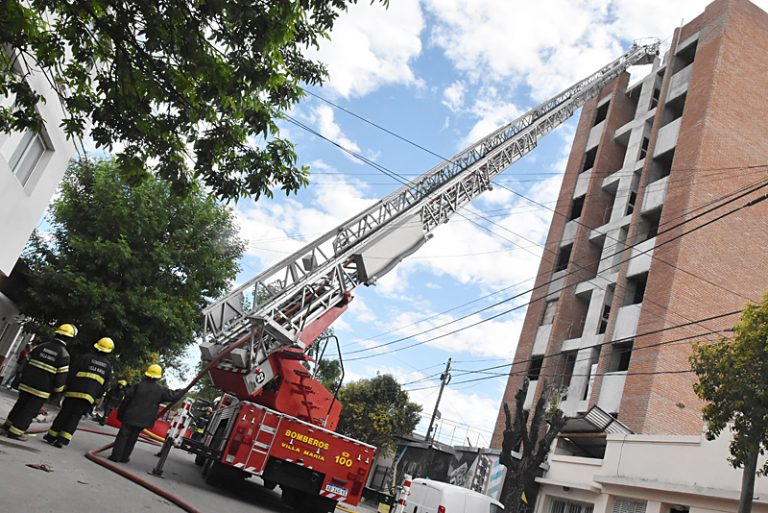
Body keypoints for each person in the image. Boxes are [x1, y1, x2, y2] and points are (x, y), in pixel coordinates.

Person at [1, 324, 74, 441]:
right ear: (69, 339)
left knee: (20, 405)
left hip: (26, 383)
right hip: (42, 389)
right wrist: (57, 392)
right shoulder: (64, 355)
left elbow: (26, 363)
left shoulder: (40, 347)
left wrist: (22, 378)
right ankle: (16, 432)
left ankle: (7, 426)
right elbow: (60, 378)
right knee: (29, 410)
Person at [44, 337, 114, 447]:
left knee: (64, 413)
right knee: (74, 417)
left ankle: (51, 436)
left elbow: (72, 372)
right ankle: (62, 440)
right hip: (88, 397)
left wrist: (66, 386)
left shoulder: (85, 358)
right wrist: (97, 396)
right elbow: (106, 385)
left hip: (73, 391)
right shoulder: (108, 367)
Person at [109, 364, 184, 463]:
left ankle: (115, 457)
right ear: (158, 376)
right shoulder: (160, 390)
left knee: (122, 436)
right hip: (144, 420)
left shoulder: (137, 386)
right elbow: (173, 395)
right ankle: (124, 457)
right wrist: (183, 390)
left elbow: (126, 400)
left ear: (147, 374)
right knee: (133, 438)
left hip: (130, 416)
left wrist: (121, 414)